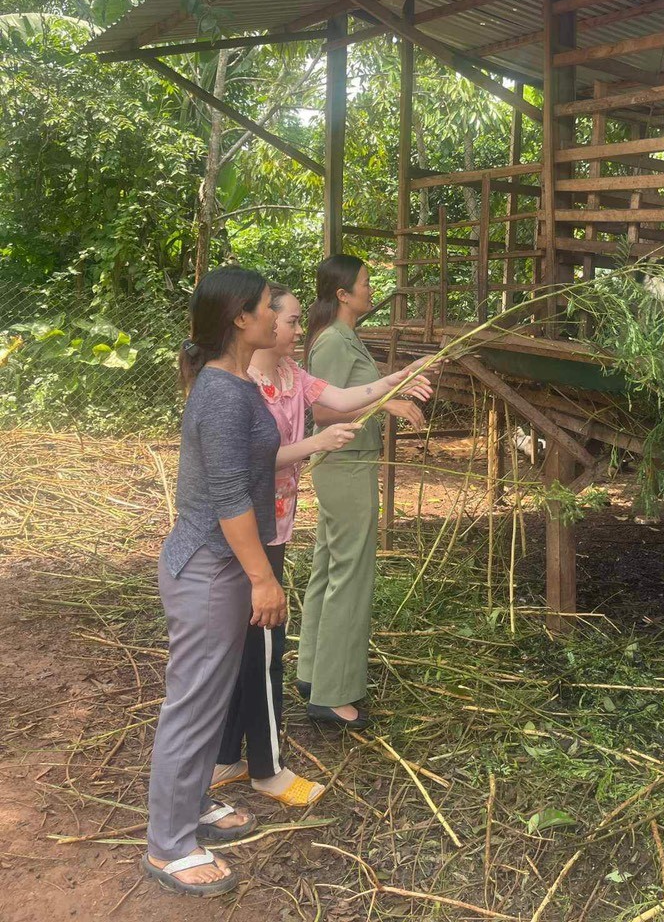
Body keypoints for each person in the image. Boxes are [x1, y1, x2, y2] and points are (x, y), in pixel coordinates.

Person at [144, 269, 430, 897]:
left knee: (212, 694)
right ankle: (168, 844)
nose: (284, 320)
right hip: (212, 566)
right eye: (269, 311)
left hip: (223, 563)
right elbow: (226, 496)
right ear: (241, 321)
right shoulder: (222, 394)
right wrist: (261, 579)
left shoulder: (235, 385)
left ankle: (189, 809)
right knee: (193, 702)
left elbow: (252, 464)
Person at [297, 254, 429, 729]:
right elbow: (325, 413)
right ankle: (333, 695)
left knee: (329, 568)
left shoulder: (342, 336)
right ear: (343, 294)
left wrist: (402, 383)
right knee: (350, 575)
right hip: (345, 465)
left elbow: (354, 393)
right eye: (366, 284)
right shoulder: (333, 340)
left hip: (347, 465)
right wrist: (388, 402)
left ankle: (313, 673)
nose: (372, 290)